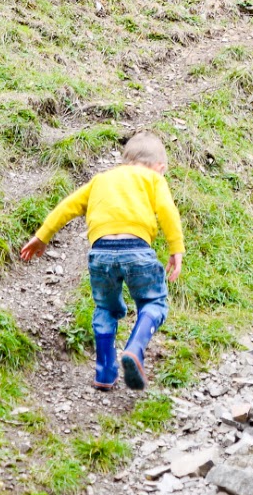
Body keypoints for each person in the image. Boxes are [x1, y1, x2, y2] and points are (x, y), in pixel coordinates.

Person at [20, 130, 184, 391]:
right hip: (137, 248)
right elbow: (167, 210)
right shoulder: (153, 179)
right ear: (160, 167)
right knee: (153, 301)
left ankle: (105, 371)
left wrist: (42, 236)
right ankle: (135, 348)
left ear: (125, 160)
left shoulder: (101, 180)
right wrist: (176, 248)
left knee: (105, 308)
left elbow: (67, 206)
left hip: (101, 253)